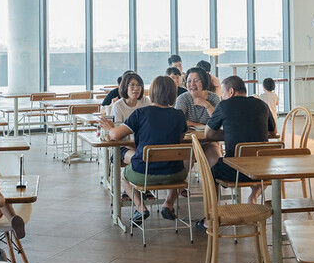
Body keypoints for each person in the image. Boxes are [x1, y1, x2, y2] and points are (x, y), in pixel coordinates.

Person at [99, 75, 188, 223]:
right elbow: (180, 138)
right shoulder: (179, 115)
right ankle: (168, 203)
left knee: (124, 176)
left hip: (144, 174)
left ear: (152, 93)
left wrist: (109, 128)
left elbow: (115, 135)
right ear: (174, 94)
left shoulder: (141, 113)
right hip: (175, 174)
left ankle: (141, 207)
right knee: (182, 171)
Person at [204, 75, 277, 204]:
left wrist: (230, 134)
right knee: (264, 172)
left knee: (212, 172)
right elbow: (273, 131)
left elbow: (208, 134)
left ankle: (213, 209)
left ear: (231, 91)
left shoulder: (224, 105)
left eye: (223, 93)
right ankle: (253, 196)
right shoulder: (261, 104)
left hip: (234, 171)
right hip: (262, 170)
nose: (222, 97)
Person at [110, 71, 151, 166]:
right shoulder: (118, 106)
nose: (136, 88)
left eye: (138, 85)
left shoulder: (146, 101)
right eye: (132, 85)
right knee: (140, 159)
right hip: (124, 146)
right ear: (125, 87)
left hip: (143, 144)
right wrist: (134, 146)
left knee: (148, 157)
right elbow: (118, 135)